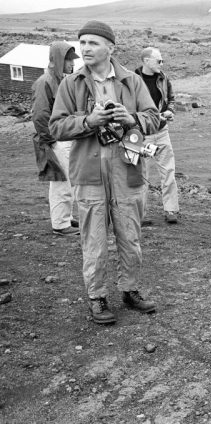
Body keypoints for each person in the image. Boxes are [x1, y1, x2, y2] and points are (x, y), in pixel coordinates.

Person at [49, 20, 161, 325]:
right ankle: (97, 297)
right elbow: (56, 126)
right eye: (82, 42)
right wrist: (89, 121)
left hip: (128, 172)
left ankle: (130, 290)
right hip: (89, 175)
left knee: (130, 236)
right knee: (94, 240)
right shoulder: (70, 85)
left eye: (93, 43)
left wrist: (131, 118)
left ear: (110, 48)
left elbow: (153, 118)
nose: (85, 48)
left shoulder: (131, 82)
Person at [31, 41, 80, 236]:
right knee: (61, 181)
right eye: (68, 60)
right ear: (59, 59)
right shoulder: (46, 82)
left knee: (67, 179)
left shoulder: (58, 80)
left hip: (61, 137)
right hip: (55, 139)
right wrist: (51, 139)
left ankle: (65, 217)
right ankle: (60, 224)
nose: (72, 64)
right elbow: (40, 114)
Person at [135, 47, 179, 225]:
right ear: (146, 61)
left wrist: (169, 111)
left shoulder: (163, 78)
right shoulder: (133, 80)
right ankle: (139, 214)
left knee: (168, 172)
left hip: (161, 132)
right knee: (140, 175)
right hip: (142, 135)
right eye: (158, 61)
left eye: (162, 61)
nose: (162, 64)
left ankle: (171, 210)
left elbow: (171, 99)